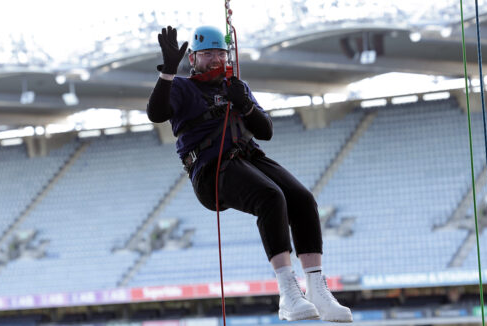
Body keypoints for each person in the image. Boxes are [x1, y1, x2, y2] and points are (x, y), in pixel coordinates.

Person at [147, 25, 352, 323]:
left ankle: (317, 290)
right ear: (193, 59)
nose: (216, 59)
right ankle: (288, 294)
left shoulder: (236, 87)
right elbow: (156, 112)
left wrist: (243, 103)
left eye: (220, 53)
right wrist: (166, 72)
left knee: (302, 199)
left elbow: (265, 131)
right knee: (270, 197)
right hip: (210, 169)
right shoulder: (181, 87)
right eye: (207, 54)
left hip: (247, 156)